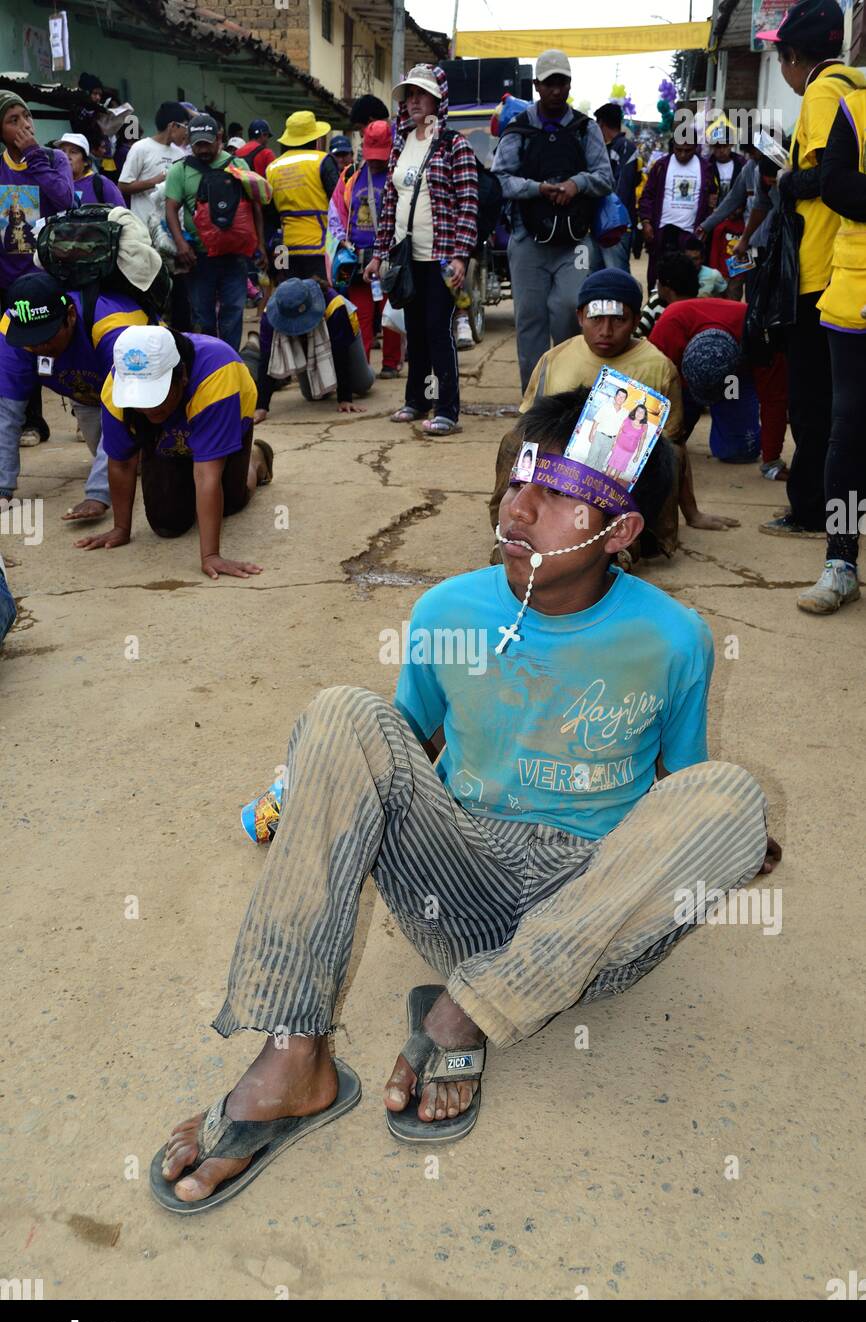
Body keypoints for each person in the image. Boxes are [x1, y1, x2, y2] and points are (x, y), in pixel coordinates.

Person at [149, 384, 779, 1212]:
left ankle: (467, 1013)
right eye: (517, 483)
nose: (519, 509)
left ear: (621, 532)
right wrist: (309, 794)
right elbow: (396, 740)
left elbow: (682, 785)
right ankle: (294, 1054)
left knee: (732, 798)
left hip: (588, 926)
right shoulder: (447, 608)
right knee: (344, 709)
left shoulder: (674, 638)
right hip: (458, 886)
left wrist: (719, 841)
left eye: (555, 496)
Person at [493, 267, 734, 543]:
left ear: (636, 321)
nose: (605, 331)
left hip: (622, 474)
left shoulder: (658, 366)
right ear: (580, 317)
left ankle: (641, 541)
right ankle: (509, 531)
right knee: (512, 441)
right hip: (558, 470)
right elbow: (529, 428)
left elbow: (674, 443)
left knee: (672, 452)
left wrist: (692, 513)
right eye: (595, 319)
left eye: (618, 320)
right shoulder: (554, 359)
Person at [754, 0, 865, 537]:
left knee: (811, 401)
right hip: (842, 268)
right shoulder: (851, 86)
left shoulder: (823, 91)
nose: (783, 71)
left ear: (795, 57)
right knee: (839, 403)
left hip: (816, 269)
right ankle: (841, 509)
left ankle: (811, 511)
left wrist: (785, 180)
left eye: (781, 59)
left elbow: (827, 176)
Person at [76, 325, 273, 578]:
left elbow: (206, 475)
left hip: (228, 417)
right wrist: (120, 529)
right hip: (170, 435)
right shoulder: (115, 389)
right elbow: (122, 462)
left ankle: (255, 460)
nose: (148, 409)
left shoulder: (219, 375)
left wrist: (210, 556)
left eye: (156, 397)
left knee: (230, 502)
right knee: (166, 524)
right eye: (140, 401)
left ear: (182, 377)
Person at [364, 64, 478, 438]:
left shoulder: (453, 145)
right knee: (414, 329)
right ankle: (416, 400)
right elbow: (390, 203)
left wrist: (460, 255)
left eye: (421, 94)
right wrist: (380, 254)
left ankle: (447, 409)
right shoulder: (401, 142)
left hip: (441, 257)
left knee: (437, 330)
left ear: (438, 100)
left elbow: (468, 204)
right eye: (409, 95)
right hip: (405, 256)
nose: (413, 101)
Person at [491, 50, 613, 392]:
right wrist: (537, 189)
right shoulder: (519, 130)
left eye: (562, 82)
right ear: (536, 86)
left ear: (570, 84)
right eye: (549, 83)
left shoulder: (584, 129)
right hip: (528, 240)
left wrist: (577, 184)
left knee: (568, 313)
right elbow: (500, 179)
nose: (556, 90)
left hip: (574, 243)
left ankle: (566, 394)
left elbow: (606, 177)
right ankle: (533, 400)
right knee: (529, 321)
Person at [0, 270, 152, 519]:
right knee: (117, 458)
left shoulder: (113, 330)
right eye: (30, 341)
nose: (38, 348)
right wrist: (2, 489)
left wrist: (98, 494)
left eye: (46, 338)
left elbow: (125, 406)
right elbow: (6, 412)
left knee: (141, 460)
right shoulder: (11, 331)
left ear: (70, 316)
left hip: (140, 387)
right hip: (85, 394)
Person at [797, 85, 866, 613]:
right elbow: (838, 187)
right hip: (856, 297)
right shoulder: (854, 107)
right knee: (849, 428)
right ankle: (841, 563)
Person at [649, 291, 789, 481]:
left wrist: (772, 460)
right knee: (669, 443)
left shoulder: (761, 335)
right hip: (684, 382)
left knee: (739, 453)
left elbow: (774, 400)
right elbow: (648, 389)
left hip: (736, 381)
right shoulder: (671, 326)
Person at [0, 91, 74, 448]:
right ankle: (22, 420)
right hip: (4, 274)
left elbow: (63, 199)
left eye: (25, 117)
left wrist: (33, 157)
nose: (23, 125)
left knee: (48, 344)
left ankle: (67, 411)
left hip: (42, 274)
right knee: (11, 349)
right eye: (12, 120)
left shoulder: (53, 158)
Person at [164, 113, 267, 351]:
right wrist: (181, 244)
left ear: (219, 138)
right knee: (203, 316)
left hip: (235, 256)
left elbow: (255, 206)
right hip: (199, 257)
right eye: (197, 143)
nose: (202, 149)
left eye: (207, 143)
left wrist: (260, 244)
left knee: (232, 312)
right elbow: (170, 209)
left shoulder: (238, 165)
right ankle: (211, 363)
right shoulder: (180, 170)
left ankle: (230, 364)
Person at [330, 119, 402, 378]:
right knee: (359, 316)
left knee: (389, 312)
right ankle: (363, 369)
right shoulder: (350, 177)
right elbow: (336, 213)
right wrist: (343, 242)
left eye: (380, 156)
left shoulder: (399, 175)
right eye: (372, 155)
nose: (375, 161)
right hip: (358, 259)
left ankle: (392, 363)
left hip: (389, 258)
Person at [256, 276, 374, 416]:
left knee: (361, 385)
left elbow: (341, 353)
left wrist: (344, 398)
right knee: (313, 395)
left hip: (345, 337)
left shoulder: (334, 305)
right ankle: (330, 381)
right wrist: (261, 406)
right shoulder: (270, 316)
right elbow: (266, 359)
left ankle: (367, 370)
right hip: (304, 342)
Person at [638, 126, 717, 290]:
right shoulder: (660, 166)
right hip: (663, 233)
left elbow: (713, 200)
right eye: (678, 150)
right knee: (659, 279)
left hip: (691, 235)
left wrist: (706, 226)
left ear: (695, 147)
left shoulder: (706, 169)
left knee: (686, 283)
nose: (682, 154)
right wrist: (646, 222)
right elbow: (647, 196)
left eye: (687, 150)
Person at [266, 111, 340, 281]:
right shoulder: (322, 161)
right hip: (318, 248)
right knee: (319, 297)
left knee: (287, 295)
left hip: (283, 248)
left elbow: (270, 214)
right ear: (315, 139)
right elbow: (337, 202)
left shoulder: (272, 168)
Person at [118, 102, 190, 223]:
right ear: (173, 125)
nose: (187, 132)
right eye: (185, 126)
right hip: (144, 227)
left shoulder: (180, 154)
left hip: (172, 228)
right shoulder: (141, 148)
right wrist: (156, 181)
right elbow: (123, 186)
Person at [593, 101, 640, 272]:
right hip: (599, 223)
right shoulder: (604, 149)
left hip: (617, 226)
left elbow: (622, 188)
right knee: (595, 275)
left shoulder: (626, 147)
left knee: (616, 274)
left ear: (602, 123)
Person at [56, 132, 125, 207]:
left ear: (85, 161)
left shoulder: (101, 183)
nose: (66, 157)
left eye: (73, 152)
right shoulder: (53, 184)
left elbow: (122, 215)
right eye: (62, 152)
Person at [586, 386, 629, 469]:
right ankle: (584, 476)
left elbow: (621, 429)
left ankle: (595, 479)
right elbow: (596, 420)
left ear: (625, 400)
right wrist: (591, 433)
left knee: (601, 461)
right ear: (615, 396)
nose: (620, 398)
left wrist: (615, 442)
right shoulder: (606, 406)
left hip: (611, 440)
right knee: (591, 458)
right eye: (619, 395)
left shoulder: (625, 413)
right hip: (599, 436)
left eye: (623, 397)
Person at [608, 402, 648, 474]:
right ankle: (604, 480)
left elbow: (642, 441)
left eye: (642, 412)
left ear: (644, 416)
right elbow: (619, 431)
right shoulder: (628, 419)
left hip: (629, 451)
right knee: (611, 464)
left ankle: (614, 481)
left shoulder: (645, 426)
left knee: (620, 468)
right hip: (619, 446)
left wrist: (638, 455)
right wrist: (614, 443)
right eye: (638, 411)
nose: (639, 413)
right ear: (635, 411)